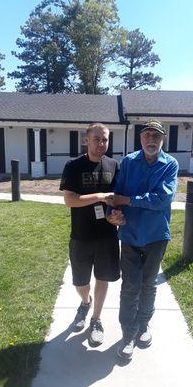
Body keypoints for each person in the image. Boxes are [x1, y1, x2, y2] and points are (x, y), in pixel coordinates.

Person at [106, 119, 178, 360]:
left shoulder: (170, 165)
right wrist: (113, 213)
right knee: (129, 287)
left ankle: (144, 324)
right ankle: (128, 334)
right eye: (147, 135)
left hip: (156, 235)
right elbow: (116, 194)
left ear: (163, 140)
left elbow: (161, 200)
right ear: (140, 139)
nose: (151, 140)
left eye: (156, 136)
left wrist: (127, 200)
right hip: (129, 235)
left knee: (148, 284)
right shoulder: (128, 162)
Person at [60, 123, 120, 347]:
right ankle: (85, 302)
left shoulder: (114, 165)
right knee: (81, 282)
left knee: (103, 278)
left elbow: (117, 198)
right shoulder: (73, 166)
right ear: (86, 140)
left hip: (107, 236)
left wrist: (117, 214)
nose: (101, 143)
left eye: (105, 139)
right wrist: (100, 196)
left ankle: (96, 319)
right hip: (81, 235)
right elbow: (69, 200)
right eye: (96, 139)